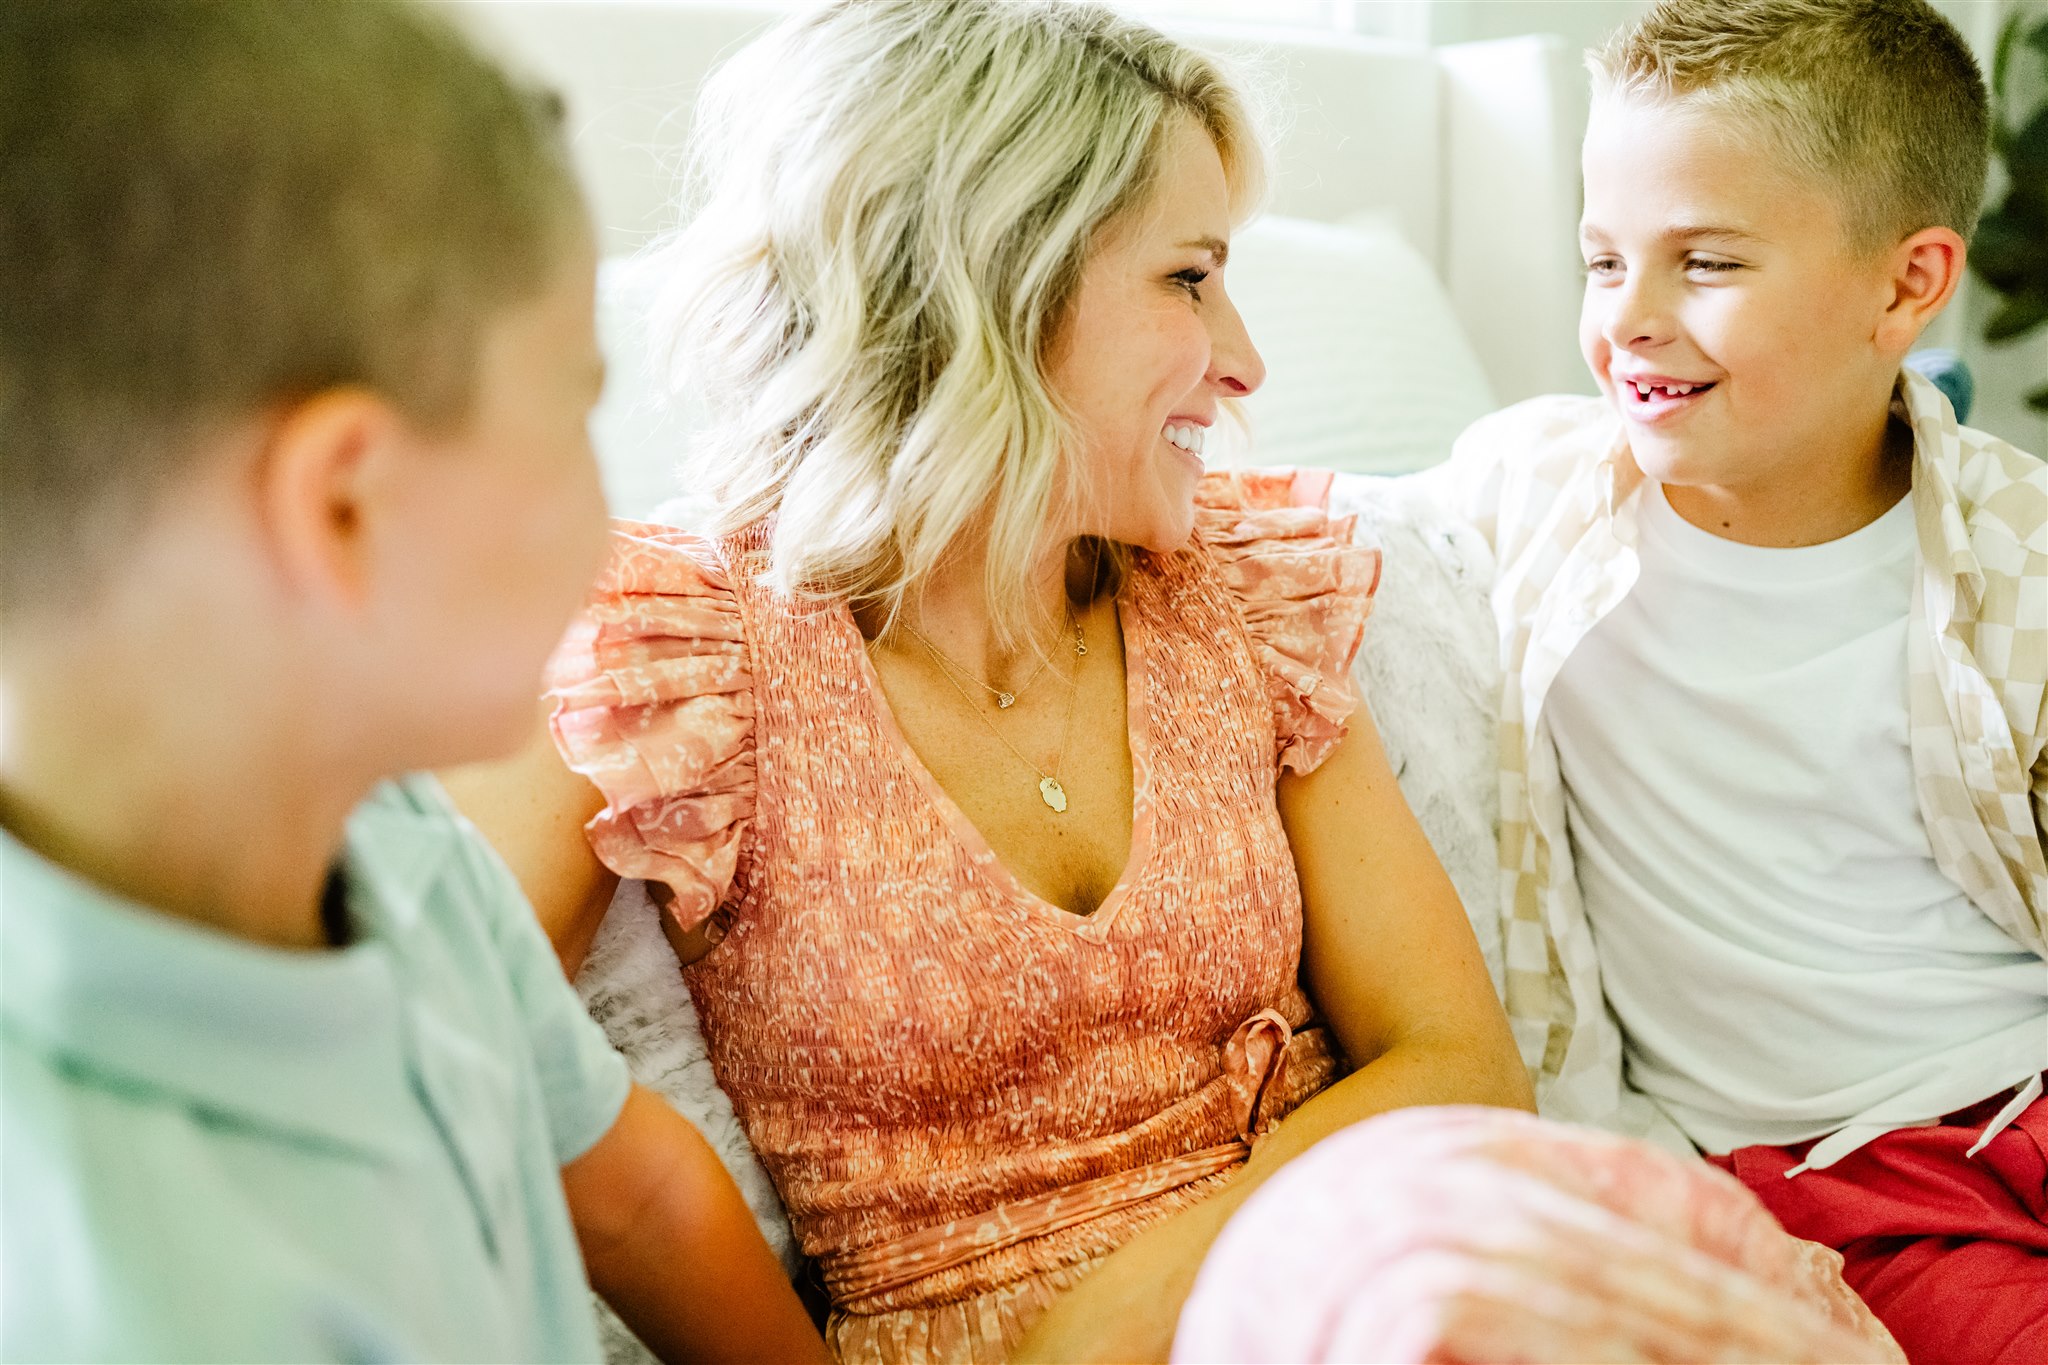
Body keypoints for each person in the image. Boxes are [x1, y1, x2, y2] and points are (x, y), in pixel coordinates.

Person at [446, 2, 1537, 1361]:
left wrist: (1119, 1316)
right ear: (997, 288)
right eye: (1191, 278)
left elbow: (1462, 1063)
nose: (1246, 358)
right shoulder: (679, 646)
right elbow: (438, 1050)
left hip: (1347, 1287)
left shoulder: (1239, 587)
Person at [0, 4, 825, 1361]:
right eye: (574, 417)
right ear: (345, 509)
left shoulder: (395, 841)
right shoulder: (106, 1283)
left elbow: (640, 1193)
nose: (609, 516)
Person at [1429, 0, 2048, 1358]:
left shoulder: (2020, 551)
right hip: (1850, 1171)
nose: (1629, 321)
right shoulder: (1520, 496)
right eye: (1601, 261)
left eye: (1704, 261)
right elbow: (1282, 520)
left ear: (1909, 284)